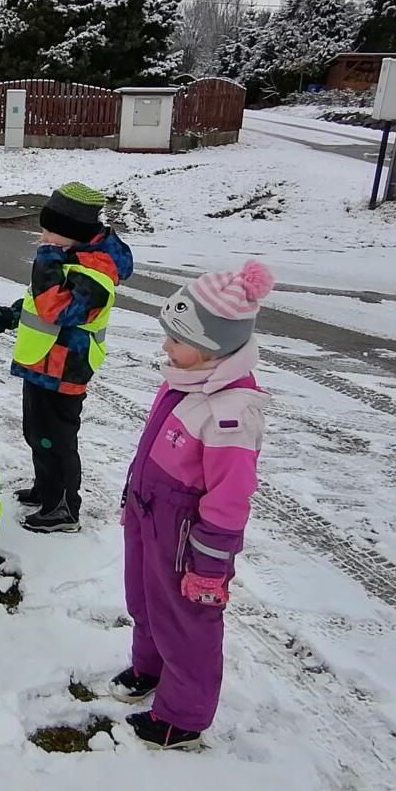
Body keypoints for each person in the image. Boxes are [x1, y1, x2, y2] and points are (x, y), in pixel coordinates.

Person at [114, 261, 273, 750]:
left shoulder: (232, 411)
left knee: (186, 619)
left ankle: (182, 717)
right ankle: (149, 667)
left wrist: (211, 558)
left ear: (210, 348)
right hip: (150, 513)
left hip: (188, 532)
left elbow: (230, 493)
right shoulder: (183, 378)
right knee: (143, 597)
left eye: (175, 339)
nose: (165, 346)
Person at [0, 182, 132, 533]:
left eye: (49, 231)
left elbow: (54, 308)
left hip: (64, 370)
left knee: (57, 441)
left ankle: (63, 508)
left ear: (72, 233)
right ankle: (47, 489)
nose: (43, 237)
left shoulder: (98, 273)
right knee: (37, 433)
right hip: (41, 366)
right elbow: (35, 306)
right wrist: (0, 317)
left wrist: (47, 258)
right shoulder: (71, 257)